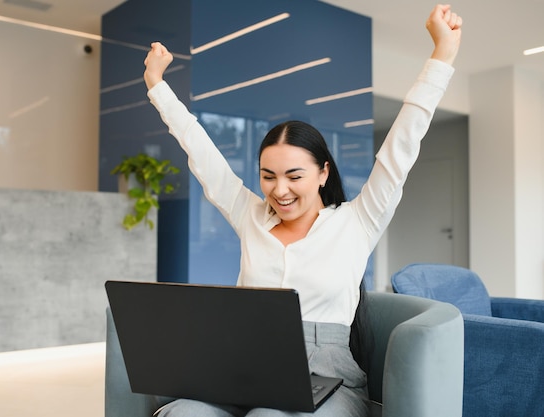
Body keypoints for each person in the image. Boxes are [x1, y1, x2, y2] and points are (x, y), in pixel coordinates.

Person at [142, 4, 462, 417]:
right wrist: (157, 85)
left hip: (331, 377)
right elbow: (201, 151)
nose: (280, 190)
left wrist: (443, 54)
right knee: (182, 413)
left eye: (294, 175)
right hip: (244, 367)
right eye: (268, 176)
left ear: (323, 172)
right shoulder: (251, 216)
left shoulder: (357, 221)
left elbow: (401, 148)